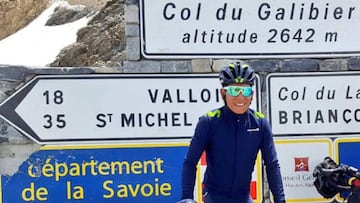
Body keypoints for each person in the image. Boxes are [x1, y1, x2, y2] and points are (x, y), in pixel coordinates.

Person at [177, 62, 286, 203]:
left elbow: (272, 165)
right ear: (223, 93)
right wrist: (186, 197)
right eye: (234, 91)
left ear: (252, 95)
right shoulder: (209, 122)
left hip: (243, 197)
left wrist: (280, 199)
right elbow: (190, 162)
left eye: (246, 91)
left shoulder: (260, 123)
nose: (240, 97)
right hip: (214, 197)